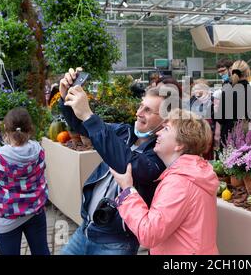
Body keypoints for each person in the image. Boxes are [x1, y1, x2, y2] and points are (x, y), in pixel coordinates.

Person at [58, 68, 180, 255]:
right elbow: (83, 128)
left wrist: (90, 116)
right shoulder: (124, 132)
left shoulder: (160, 154)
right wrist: (66, 99)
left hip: (115, 243)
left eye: (148, 110)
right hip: (85, 230)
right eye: (141, 106)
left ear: (165, 120)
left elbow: (125, 161)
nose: (139, 113)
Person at [110, 109, 219, 255]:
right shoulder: (194, 174)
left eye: (166, 129)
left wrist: (127, 191)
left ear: (179, 145)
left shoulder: (179, 182)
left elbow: (148, 234)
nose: (158, 133)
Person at [0, 108, 49, 255]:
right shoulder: (38, 151)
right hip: (35, 210)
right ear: (30, 130)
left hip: (7, 218)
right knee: (41, 251)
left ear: (6, 132)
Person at [215, 60, 251, 146]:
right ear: (247, 72)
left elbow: (221, 118)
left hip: (228, 135)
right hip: (248, 136)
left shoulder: (227, 91)